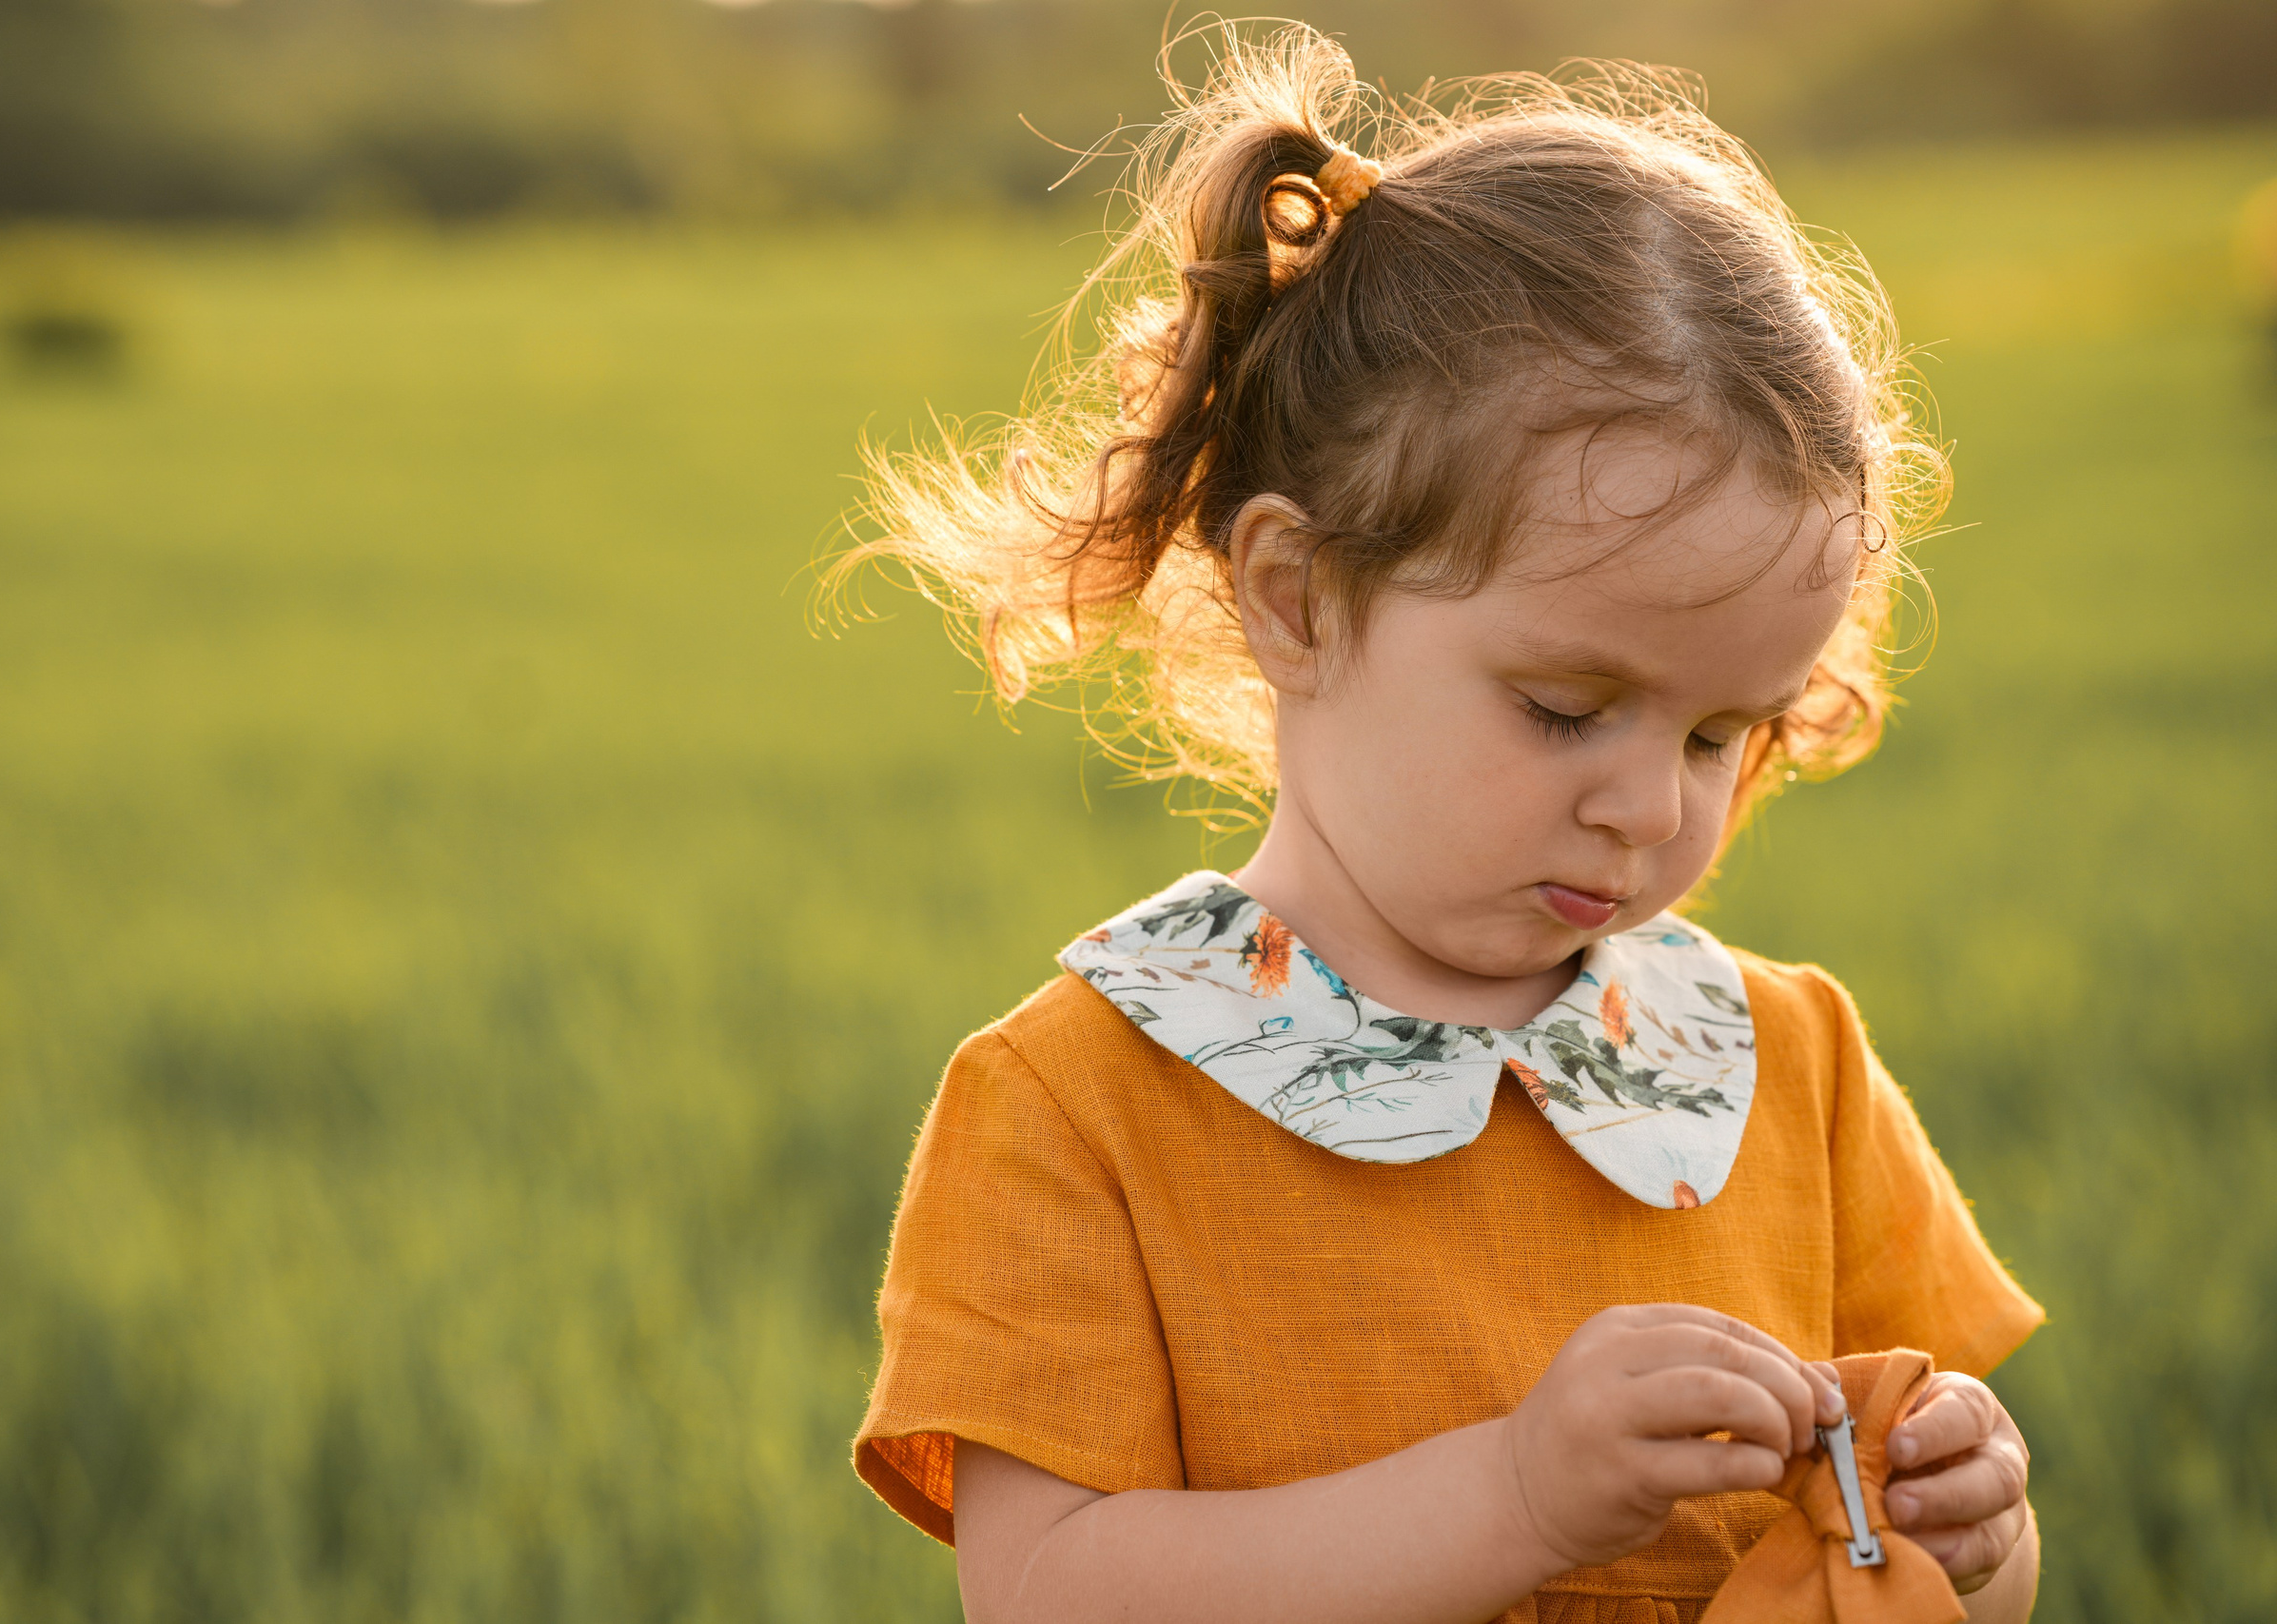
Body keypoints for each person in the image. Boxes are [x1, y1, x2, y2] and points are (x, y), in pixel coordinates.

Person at [835, 26, 2044, 1624]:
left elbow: (1939, 1573)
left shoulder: (1784, 1067)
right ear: (1299, 598)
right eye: (1563, 708)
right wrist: (1515, 1496)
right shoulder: (1078, 1110)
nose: (1647, 804)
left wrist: (1968, 1527)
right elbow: (1048, 1593)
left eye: (1716, 734)